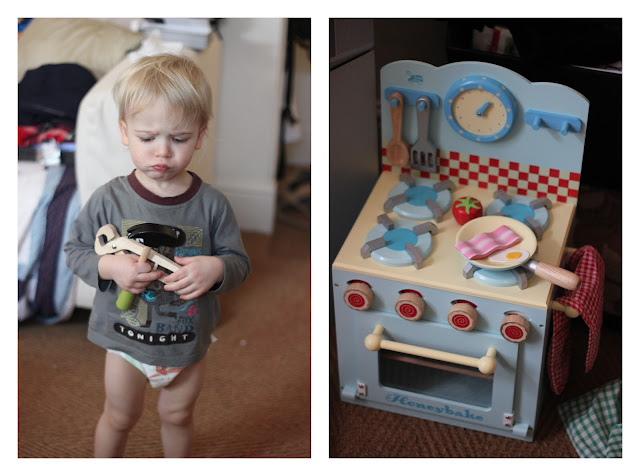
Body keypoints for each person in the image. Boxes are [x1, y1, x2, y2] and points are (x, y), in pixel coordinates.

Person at [64, 53, 250, 457]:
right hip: (124, 339)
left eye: (178, 139)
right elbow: (75, 251)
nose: (162, 153)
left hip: (187, 341)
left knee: (179, 415)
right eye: (148, 138)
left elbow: (239, 264)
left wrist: (216, 268)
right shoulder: (108, 199)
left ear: (200, 135)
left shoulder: (212, 205)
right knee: (118, 416)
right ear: (125, 132)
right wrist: (110, 265)